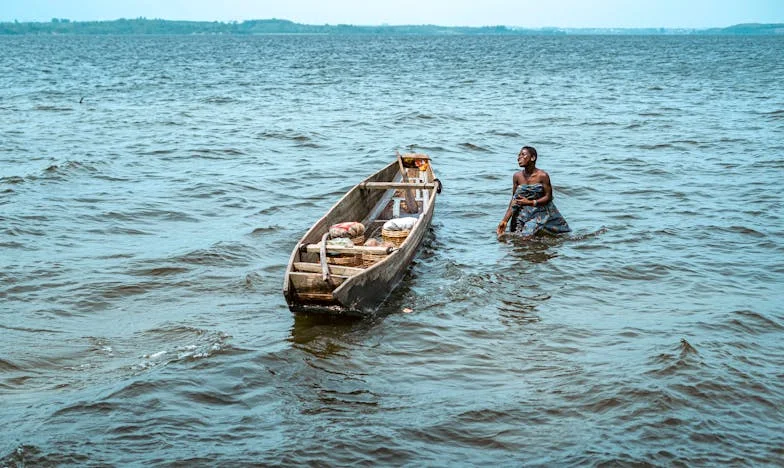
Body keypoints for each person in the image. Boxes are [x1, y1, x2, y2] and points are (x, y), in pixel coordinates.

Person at [496, 146, 571, 238]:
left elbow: (548, 197)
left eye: (523, 155)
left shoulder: (542, 176)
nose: (519, 158)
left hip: (538, 212)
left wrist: (531, 202)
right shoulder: (517, 176)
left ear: (533, 158)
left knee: (526, 237)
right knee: (515, 240)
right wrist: (504, 221)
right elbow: (514, 200)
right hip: (521, 213)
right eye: (518, 155)